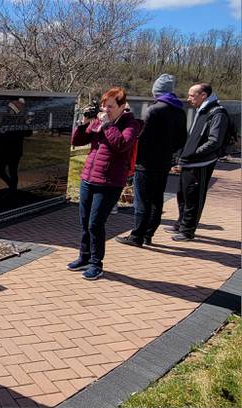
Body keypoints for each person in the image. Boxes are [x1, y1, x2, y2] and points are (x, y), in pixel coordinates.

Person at [68, 87, 142, 280]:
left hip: (110, 183)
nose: (105, 109)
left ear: (122, 106)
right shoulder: (99, 121)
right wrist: (84, 122)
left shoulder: (131, 125)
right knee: (85, 222)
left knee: (95, 224)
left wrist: (108, 125)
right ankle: (83, 258)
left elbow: (121, 145)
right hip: (88, 179)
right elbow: (77, 140)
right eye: (103, 105)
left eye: (110, 106)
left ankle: (96, 264)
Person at [115, 74, 187, 247]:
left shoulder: (154, 110)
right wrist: (168, 152)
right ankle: (148, 234)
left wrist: (135, 157)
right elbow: (182, 138)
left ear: (157, 91)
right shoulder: (179, 111)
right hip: (164, 163)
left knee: (142, 201)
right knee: (156, 199)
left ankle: (137, 236)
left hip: (146, 163)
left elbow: (142, 138)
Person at [168, 83, 230, 241]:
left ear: (203, 95)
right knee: (182, 194)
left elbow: (214, 141)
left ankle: (187, 231)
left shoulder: (217, 113)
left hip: (201, 163)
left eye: (191, 95)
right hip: (189, 161)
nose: (188, 99)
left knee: (194, 197)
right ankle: (181, 223)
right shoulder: (201, 110)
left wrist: (193, 154)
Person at [0, 98, 32, 194]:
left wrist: (28, 124)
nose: (7, 110)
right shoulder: (10, 120)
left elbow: (28, 133)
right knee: (4, 171)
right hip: (9, 151)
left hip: (10, 151)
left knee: (8, 171)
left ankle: (12, 188)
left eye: (9, 109)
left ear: (14, 110)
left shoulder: (19, 121)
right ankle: (12, 187)